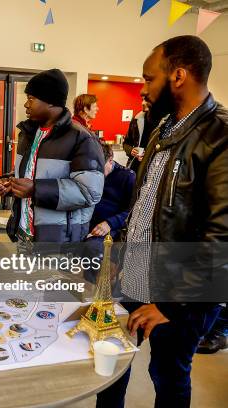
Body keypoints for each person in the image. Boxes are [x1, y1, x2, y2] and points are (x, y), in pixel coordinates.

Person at [97, 35, 227, 408]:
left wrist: (171, 305)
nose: (143, 89)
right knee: (113, 362)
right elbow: (143, 204)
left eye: (148, 78)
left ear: (179, 75)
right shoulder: (162, 128)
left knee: (169, 375)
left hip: (181, 295)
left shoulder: (220, 134)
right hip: (135, 275)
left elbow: (220, 238)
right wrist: (121, 250)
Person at [0, 69, 105, 254]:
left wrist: (36, 189)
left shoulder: (82, 138)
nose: (26, 104)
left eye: (31, 98)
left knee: (53, 283)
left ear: (51, 101)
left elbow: (89, 192)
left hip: (58, 241)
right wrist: (9, 182)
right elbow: (30, 173)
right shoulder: (28, 133)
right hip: (24, 234)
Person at [81, 142, 135, 283]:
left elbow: (133, 211)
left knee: (93, 249)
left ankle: (98, 291)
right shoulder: (87, 171)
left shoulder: (127, 177)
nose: (95, 174)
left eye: (99, 169)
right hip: (86, 223)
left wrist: (110, 223)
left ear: (110, 160)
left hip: (111, 227)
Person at [122, 99, 161, 173]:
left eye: (146, 100)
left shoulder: (165, 123)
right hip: (135, 170)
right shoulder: (136, 120)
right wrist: (131, 150)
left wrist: (148, 157)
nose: (142, 103)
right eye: (142, 99)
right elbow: (126, 143)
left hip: (154, 170)